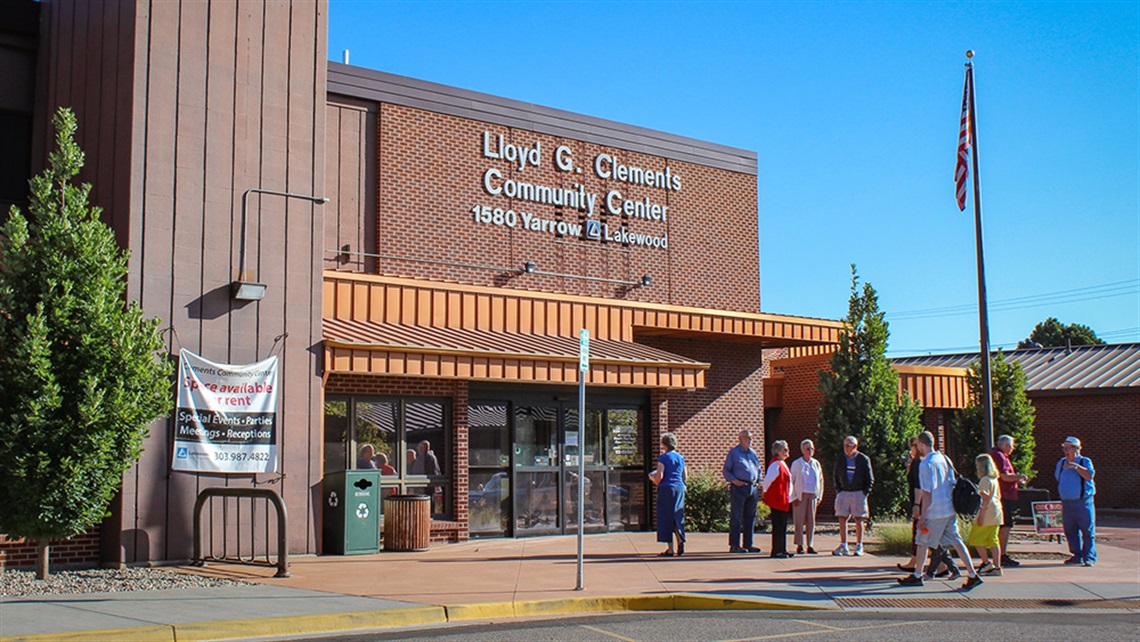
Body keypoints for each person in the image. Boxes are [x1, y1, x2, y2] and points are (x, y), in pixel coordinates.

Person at [898, 431, 982, 591]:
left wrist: (922, 515)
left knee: (922, 541)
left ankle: (917, 575)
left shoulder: (925, 464)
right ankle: (972, 574)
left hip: (934, 511)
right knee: (957, 541)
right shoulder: (944, 458)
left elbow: (927, 493)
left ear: (921, 444)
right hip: (949, 508)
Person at [1055, 436, 1096, 567]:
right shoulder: (1061, 463)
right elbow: (1058, 478)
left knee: (1087, 530)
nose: (1065, 451)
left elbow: (1089, 475)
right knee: (1070, 530)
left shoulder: (1084, 461)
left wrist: (1075, 467)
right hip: (1067, 503)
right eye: (1064, 448)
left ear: (1076, 449)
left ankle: (1089, 557)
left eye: (1068, 448)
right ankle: (1076, 555)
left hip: (1083, 502)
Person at [990, 434, 1029, 568]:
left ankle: (999, 554)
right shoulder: (1000, 456)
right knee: (1005, 525)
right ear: (1006, 446)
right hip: (1003, 496)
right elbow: (1004, 476)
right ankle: (1002, 555)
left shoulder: (998, 455)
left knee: (1003, 525)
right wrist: (1020, 476)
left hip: (1003, 495)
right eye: (1011, 446)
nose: (1012, 449)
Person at [832, 436, 873, 556]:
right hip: (843, 492)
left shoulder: (863, 459)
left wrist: (865, 492)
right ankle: (843, 545)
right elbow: (835, 475)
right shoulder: (840, 458)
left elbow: (869, 478)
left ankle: (859, 545)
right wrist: (838, 490)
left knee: (859, 518)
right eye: (844, 445)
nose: (845, 448)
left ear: (855, 446)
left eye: (848, 445)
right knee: (842, 517)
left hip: (858, 492)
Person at [722, 429, 761, 553]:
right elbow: (726, 470)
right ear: (740, 439)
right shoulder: (734, 453)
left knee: (750, 516)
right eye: (747, 438)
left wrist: (758, 480)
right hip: (739, 487)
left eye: (751, 438)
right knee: (736, 516)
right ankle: (734, 545)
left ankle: (748, 544)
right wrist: (734, 480)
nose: (750, 440)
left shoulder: (753, 453)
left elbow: (758, 468)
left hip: (752, 487)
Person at [650, 432, 687, 557]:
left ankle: (670, 548)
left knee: (666, 517)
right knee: (677, 515)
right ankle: (680, 539)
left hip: (666, 488)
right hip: (679, 488)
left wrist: (652, 479)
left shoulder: (663, 458)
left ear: (664, 444)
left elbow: (659, 476)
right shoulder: (680, 457)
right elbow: (685, 476)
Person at [970, 454, 1004, 576]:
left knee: (976, 538)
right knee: (993, 540)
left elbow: (984, 499)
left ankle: (986, 562)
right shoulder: (994, 479)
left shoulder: (984, 480)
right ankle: (997, 566)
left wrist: (981, 516)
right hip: (997, 511)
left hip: (988, 510)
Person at [790, 439, 823, 555]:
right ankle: (800, 544)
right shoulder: (797, 464)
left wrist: (819, 495)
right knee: (799, 520)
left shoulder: (816, 463)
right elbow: (792, 481)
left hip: (812, 494)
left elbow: (820, 480)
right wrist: (793, 496)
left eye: (812, 449)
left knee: (811, 521)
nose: (810, 451)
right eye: (808, 449)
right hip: (800, 494)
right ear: (803, 450)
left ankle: (810, 544)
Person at [761, 440, 794, 558]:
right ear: (778, 451)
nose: (786, 452)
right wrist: (764, 493)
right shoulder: (775, 464)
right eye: (784, 449)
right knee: (778, 526)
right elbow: (768, 481)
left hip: (783, 500)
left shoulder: (782, 463)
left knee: (783, 525)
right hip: (777, 500)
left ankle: (782, 549)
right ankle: (777, 550)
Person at [899, 437, 921, 572]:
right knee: (926, 535)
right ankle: (942, 565)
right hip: (923, 503)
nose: (911, 448)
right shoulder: (917, 462)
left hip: (922, 504)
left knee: (920, 534)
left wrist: (917, 505)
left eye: (913, 445)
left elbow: (918, 485)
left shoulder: (919, 462)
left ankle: (915, 563)